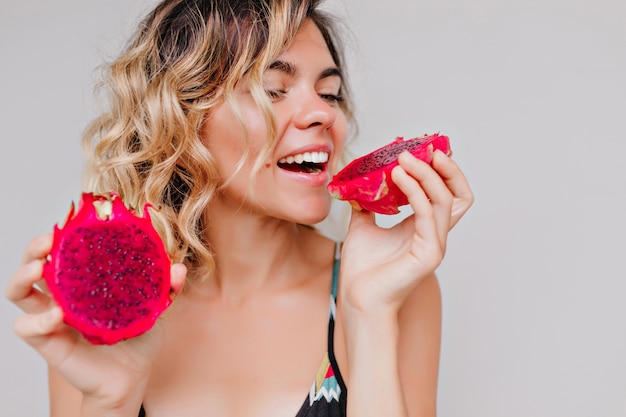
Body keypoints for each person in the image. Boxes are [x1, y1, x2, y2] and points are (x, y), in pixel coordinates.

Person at [5, 0, 473, 416]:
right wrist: (108, 404)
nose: (324, 114)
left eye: (329, 93)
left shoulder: (394, 291)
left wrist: (367, 313)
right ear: (182, 120)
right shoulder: (104, 310)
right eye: (273, 88)